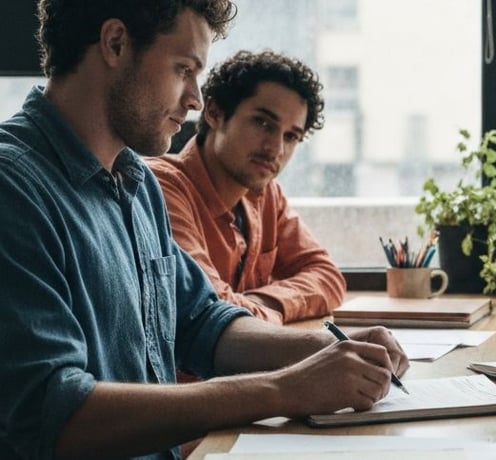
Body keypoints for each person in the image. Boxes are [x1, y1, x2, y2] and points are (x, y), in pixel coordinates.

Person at [0, 1, 408, 459]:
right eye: (183, 69)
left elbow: (200, 322)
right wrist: (283, 389)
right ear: (115, 43)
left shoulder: (134, 182)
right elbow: (54, 414)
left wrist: (325, 346)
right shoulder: (13, 190)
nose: (195, 98)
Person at [148, 50, 345, 325]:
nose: (275, 149)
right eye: (263, 123)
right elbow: (211, 310)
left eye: (291, 136)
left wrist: (263, 302)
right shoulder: (160, 187)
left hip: (253, 365)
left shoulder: (266, 193)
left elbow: (328, 276)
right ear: (215, 113)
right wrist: (268, 312)